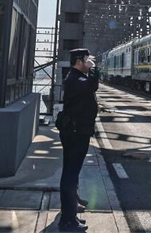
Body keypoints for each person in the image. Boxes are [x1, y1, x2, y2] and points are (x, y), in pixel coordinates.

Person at [58, 48, 99, 232]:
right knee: (70, 175)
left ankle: (70, 214)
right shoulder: (76, 78)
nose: (89, 62)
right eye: (86, 59)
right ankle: (67, 220)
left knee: (71, 174)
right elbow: (92, 86)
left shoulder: (75, 77)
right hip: (75, 133)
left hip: (76, 132)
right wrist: (94, 69)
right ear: (79, 61)